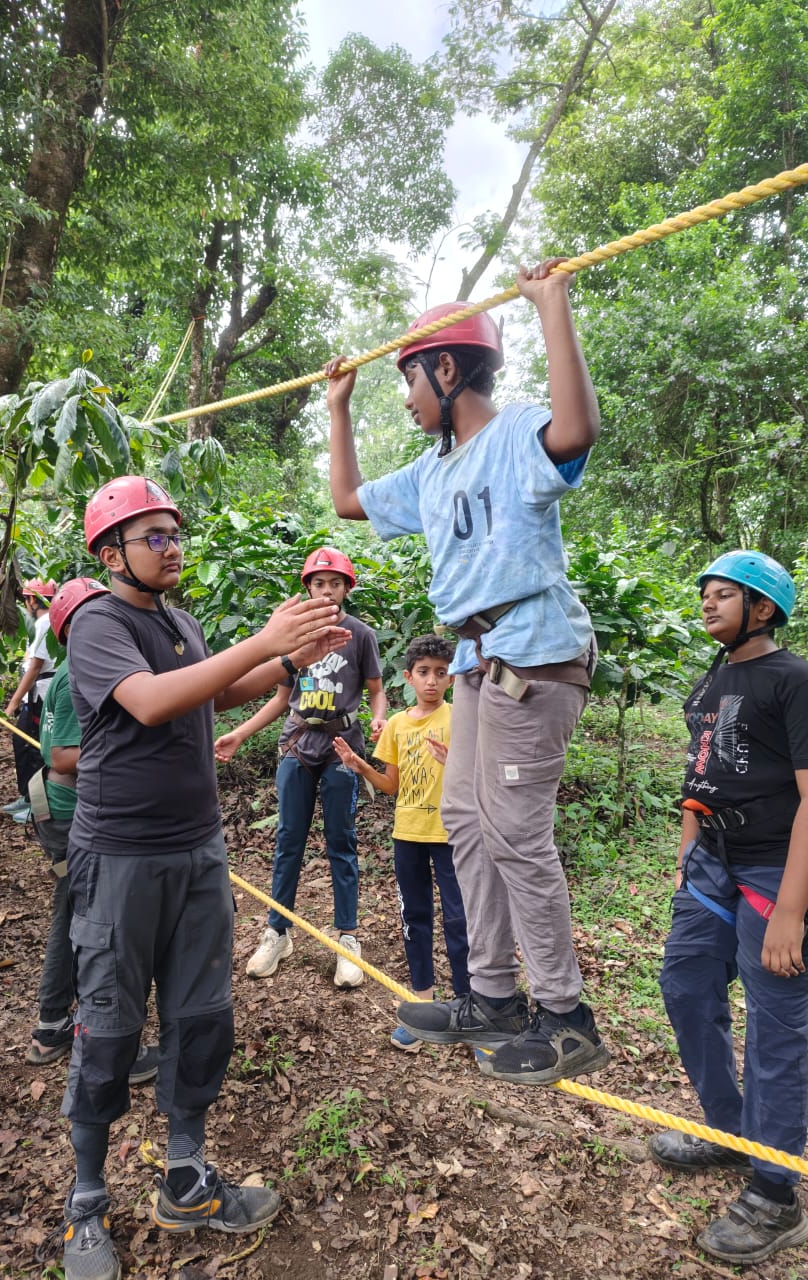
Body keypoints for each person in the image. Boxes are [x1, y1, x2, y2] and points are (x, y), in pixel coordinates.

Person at [326, 260, 609, 1086]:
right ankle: (491, 993)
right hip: (476, 659)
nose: (408, 396)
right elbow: (348, 499)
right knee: (467, 820)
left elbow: (577, 429)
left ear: (446, 369)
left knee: (516, 829)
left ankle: (566, 1016)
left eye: (410, 377)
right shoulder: (433, 470)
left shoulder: (519, 434)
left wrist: (551, 306)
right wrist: (339, 410)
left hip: (533, 655)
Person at [59, 476, 349, 1280]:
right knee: (111, 1027)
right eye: (154, 536)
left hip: (198, 853)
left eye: (174, 534)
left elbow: (217, 692)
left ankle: (185, 1176)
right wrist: (262, 643)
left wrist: (292, 658)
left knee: (201, 1015)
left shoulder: (179, 621)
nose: (172, 546)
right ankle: (87, 1202)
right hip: (120, 858)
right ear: (111, 551)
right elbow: (152, 703)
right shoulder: (97, 622)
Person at [648, 551, 808, 1266]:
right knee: (685, 987)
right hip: (712, 867)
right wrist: (686, 856)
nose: (706, 603)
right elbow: (700, 778)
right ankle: (730, 1131)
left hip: (777, 872)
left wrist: (792, 910)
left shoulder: (800, 684)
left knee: (774, 1024)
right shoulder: (711, 681)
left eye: (723, 594)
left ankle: (775, 1193)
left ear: (763, 609)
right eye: (703, 592)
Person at [215, 547, 387, 990]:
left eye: (335, 583)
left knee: (341, 843)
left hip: (341, 747)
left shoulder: (361, 635)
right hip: (296, 744)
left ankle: (347, 938)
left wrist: (381, 718)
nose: (326, 590)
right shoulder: (293, 636)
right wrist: (241, 734)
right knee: (288, 840)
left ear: (348, 588)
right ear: (307, 588)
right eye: (318, 583)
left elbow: (376, 690)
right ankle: (277, 931)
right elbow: (278, 698)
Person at [25, 576, 158, 1088]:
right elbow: (63, 755)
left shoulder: (83, 666)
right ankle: (65, 1025)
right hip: (70, 808)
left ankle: (55, 1022)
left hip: (69, 807)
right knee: (87, 918)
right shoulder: (82, 667)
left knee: (78, 911)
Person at [333, 634, 469, 1051]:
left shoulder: (461, 719)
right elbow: (391, 786)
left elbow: (479, 776)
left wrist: (458, 760)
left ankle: (471, 1010)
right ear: (408, 677)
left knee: (461, 923)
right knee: (416, 920)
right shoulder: (396, 725)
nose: (432, 681)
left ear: (451, 679)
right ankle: (422, 1003)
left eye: (441, 673)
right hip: (407, 836)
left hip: (452, 836)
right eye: (424, 673)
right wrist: (359, 767)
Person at [3, 577, 57, 824]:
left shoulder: (46, 622)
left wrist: (13, 702)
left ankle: (37, 803)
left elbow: (35, 667)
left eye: (26, 599)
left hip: (42, 696)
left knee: (34, 746)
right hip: (36, 695)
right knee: (24, 743)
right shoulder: (43, 622)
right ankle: (28, 796)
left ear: (32, 599)